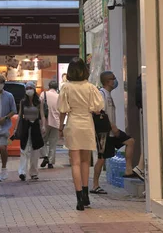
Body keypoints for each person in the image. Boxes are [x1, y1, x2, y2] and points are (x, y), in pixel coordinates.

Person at [58, 57, 104, 211]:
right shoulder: (91, 87)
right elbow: (98, 108)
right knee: (86, 162)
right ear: (85, 70)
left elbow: (62, 110)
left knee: (75, 162)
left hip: (73, 124)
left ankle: (78, 198)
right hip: (87, 124)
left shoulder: (66, 87)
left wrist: (60, 127)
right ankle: (86, 195)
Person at [92, 70, 139, 195]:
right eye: (113, 78)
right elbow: (102, 114)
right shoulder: (101, 94)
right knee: (101, 158)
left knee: (130, 141)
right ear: (108, 81)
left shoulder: (108, 94)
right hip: (104, 133)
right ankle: (95, 185)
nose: (115, 81)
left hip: (112, 132)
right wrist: (113, 128)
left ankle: (128, 169)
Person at [17, 81, 46, 181]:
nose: (29, 90)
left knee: (35, 150)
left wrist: (44, 126)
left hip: (35, 127)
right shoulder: (23, 101)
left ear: (34, 89)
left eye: (31, 88)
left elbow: (42, 114)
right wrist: (17, 128)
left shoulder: (39, 101)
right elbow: (20, 115)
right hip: (25, 126)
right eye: (27, 88)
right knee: (23, 150)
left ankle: (34, 172)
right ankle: (22, 172)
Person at [39, 80, 60, 169]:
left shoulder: (43, 94)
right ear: (57, 88)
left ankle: (45, 156)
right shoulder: (60, 96)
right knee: (53, 143)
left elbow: (39, 107)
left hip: (45, 121)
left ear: (49, 86)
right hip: (56, 122)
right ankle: (50, 162)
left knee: (42, 141)